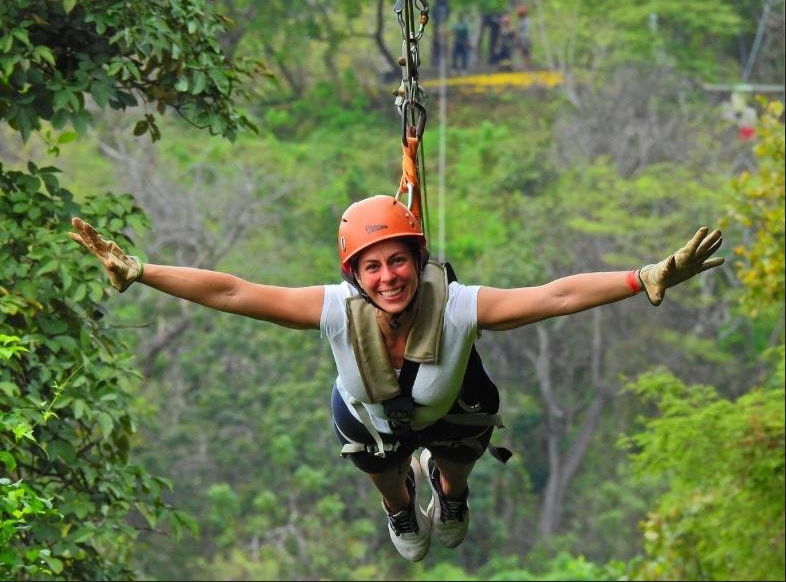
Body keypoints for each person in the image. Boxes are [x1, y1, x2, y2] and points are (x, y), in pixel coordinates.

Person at [68, 197, 724, 561]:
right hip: (372, 417)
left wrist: (644, 276)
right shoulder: (333, 309)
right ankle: (399, 503)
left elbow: (553, 295)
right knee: (376, 458)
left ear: (419, 260)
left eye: (399, 261)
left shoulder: (460, 306)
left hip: (453, 406)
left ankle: (449, 490)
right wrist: (143, 270)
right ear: (356, 276)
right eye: (373, 267)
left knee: (458, 458)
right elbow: (236, 290)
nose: (389, 277)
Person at [515, 5, 533, 70]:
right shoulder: (521, 21)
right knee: (522, 52)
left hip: (525, 39)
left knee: (526, 52)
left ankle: (527, 65)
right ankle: (524, 65)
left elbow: (528, 31)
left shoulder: (527, 21)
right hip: (522, 39)